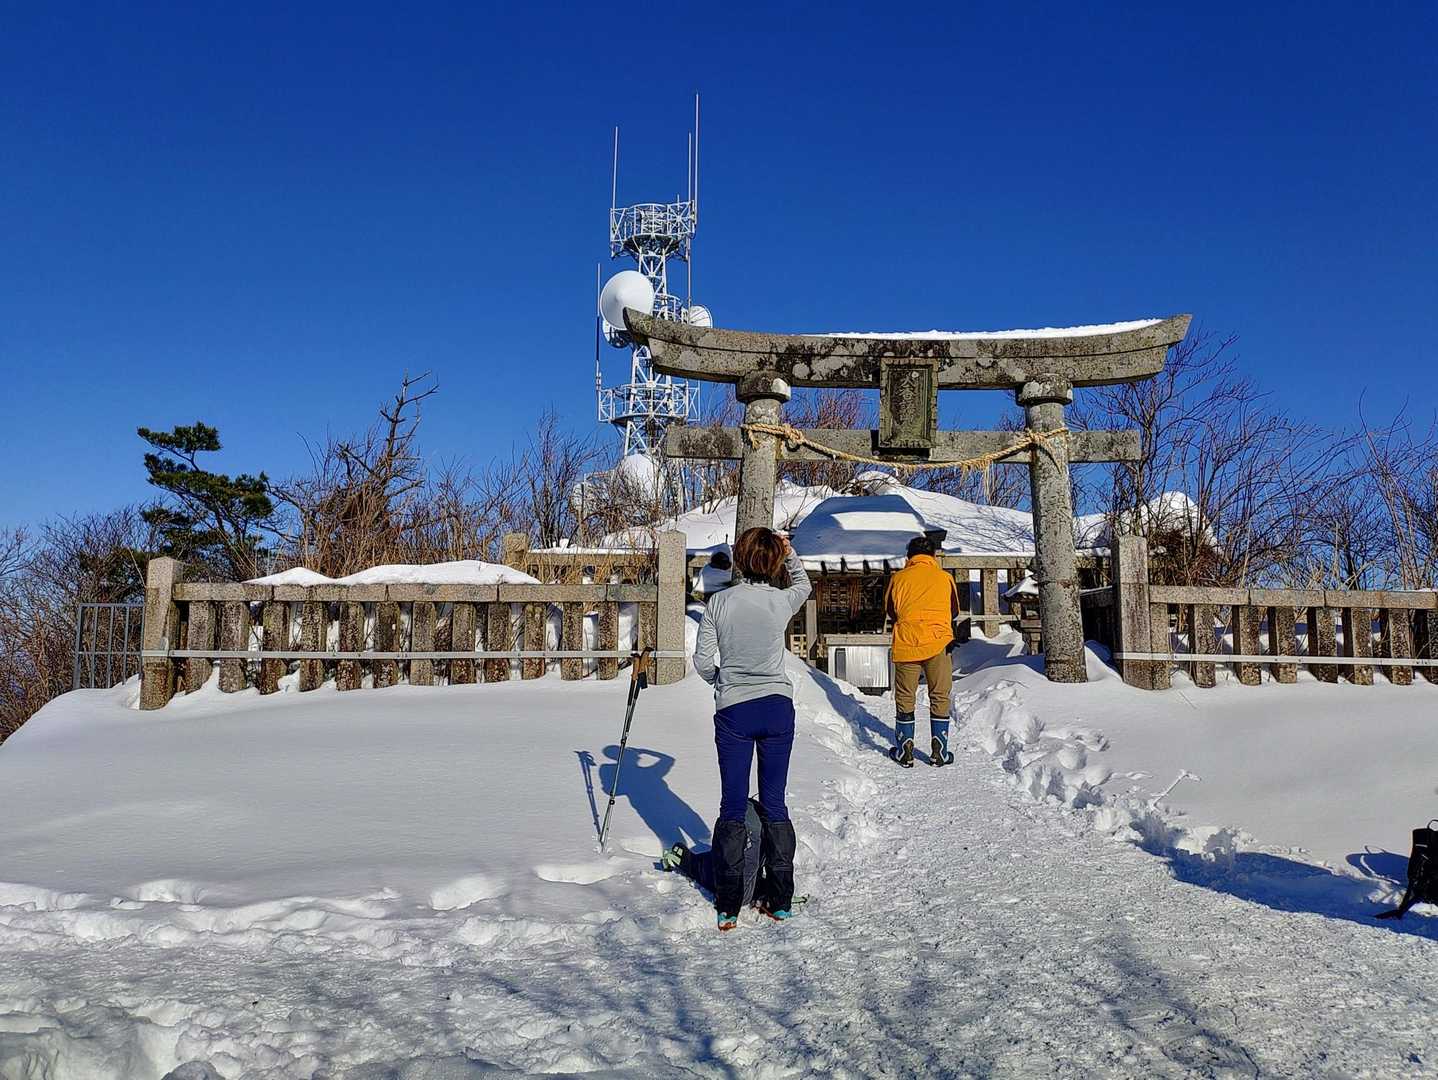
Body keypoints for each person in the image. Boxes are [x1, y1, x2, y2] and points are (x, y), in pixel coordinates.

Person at [692, 526, 811, 931]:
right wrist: (790, 552)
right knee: (775, 803)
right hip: (777, 707)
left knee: (732, 804)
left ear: (739, 560)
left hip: (735, 711)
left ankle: (728, 905)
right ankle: (780, 900)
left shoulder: (720, 602)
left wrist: (722, 681)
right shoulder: (781, 600)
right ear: (774, 560)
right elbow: (804, 584)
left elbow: (702, 661)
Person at [883, 534, 960, 768]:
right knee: (939, 695)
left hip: (907, 641)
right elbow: (954, 611)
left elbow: (890, 611)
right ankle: (939, 752)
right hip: (938, 642)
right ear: (933, 555)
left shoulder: (898, 578)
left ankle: (905, 750)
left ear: (909, 556)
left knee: (906, 696)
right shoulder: (945, 578)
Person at [660, 798, 796, 920]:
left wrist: (779, 892)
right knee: (737, 892)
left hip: (754, 822)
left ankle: (772, 893)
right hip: (744, 828)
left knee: (743, 869)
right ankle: (682, 857)